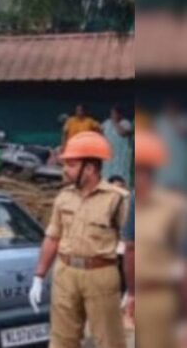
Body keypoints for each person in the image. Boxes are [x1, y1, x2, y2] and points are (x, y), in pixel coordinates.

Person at [28, 131, 129, 348]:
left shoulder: (117, 200)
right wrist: (39, 276)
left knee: (109, 340)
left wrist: (134, 288)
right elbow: (52, 237)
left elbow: (133, 243)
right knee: (61, 339)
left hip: (100, 274)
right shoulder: (64, 197)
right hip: (65, 273)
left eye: (71, 165)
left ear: (90, 169)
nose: (65, 169)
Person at [129, 130, 187, 348]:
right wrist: (131, 295)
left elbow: (182, 264)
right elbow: (130, 250)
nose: (139, 177)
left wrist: (183, 320)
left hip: (163, 297)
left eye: (142, 171)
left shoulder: (173, 208)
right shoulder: (133, 203)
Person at [155, 99, 187, 192]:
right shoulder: (160, 120)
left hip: (179, 162)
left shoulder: (183, 118)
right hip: (163, 164)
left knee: (180, 189)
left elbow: (183, 131)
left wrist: (173, 119)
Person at [101, 105, 134, 186]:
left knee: (121, 177)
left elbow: (122, 133)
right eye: (111, 113)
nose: (112, 116)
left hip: (121, 157)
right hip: (108, 156)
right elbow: (100, 132)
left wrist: (115, 122)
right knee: (106, 176)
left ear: (120, 114)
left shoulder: (126, 123)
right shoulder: (106, 123)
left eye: (114, 114)